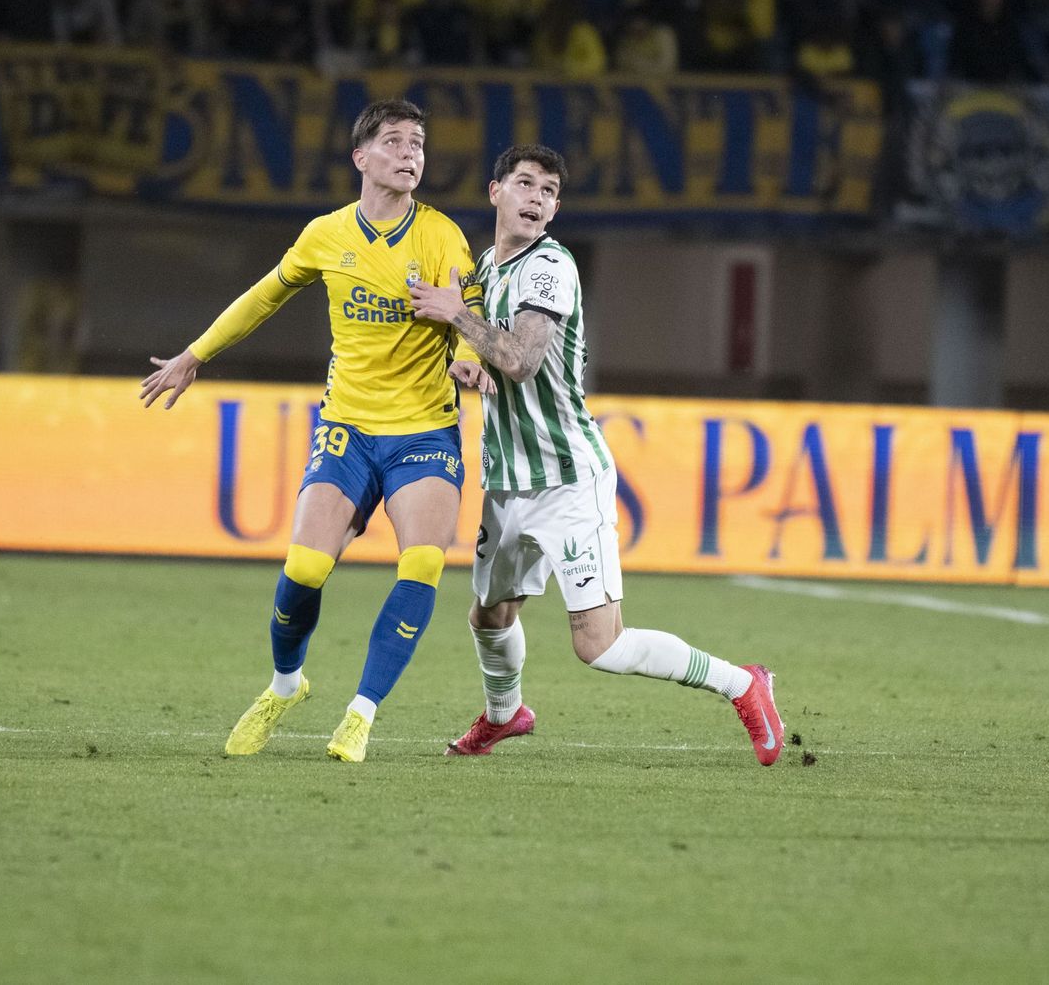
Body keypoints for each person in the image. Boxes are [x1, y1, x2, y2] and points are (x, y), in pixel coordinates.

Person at [409, 145, 787, 766]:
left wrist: (457, 317)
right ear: (495, 191)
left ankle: (743, 684)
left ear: (556, 208)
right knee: (489, 615)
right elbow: (496, 353)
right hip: (508, 479)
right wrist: (470, 362)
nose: (536, 198)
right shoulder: (486, 267)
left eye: (549, 191)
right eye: (525, 184)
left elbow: (525, 359)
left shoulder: (550, 267)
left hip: (565, 479)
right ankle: (506, 715)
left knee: (600, 645)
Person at [140, 99, 494, 763]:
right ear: (361, 158)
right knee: (303, 569)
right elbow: (265, 295)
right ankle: (286, 684)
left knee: (422, 562)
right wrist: (194, 355)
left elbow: (467, 306)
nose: (410, 153)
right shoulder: (325, 235)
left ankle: (360, 713)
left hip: (424, 429)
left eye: (418, 143)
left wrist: (470, 362)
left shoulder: (442, 235)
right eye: (394, 142)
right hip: (349, 428)